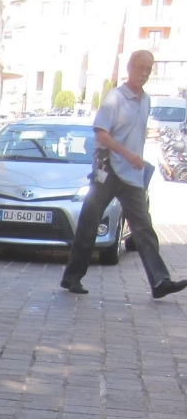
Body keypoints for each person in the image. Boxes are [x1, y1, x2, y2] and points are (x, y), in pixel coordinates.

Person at [61, 50, 186, 298]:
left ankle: (160, 282)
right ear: (128, 68)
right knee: (89, 223)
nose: (143, 73)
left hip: (131, 176)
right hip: (108, 171)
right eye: (139, 67)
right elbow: (101, 134)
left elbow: (135, 133)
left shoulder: (146, 100)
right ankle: (72, 278)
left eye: (148, 69)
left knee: (144, 228)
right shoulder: (114, 98)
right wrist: (128, 154)